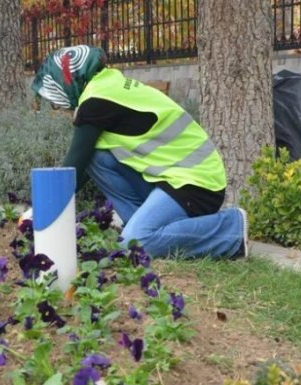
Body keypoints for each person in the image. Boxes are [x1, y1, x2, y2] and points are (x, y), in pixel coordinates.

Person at [31, 45, 247, 260]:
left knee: (135, 244)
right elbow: (83, 163)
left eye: (55, 103)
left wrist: (38, 214)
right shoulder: (107, 84)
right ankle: (142, 224)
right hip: (175, 177)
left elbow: (72, 172)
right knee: (96, 158)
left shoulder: (96, 102)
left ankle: (231, 230)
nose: (59, 110)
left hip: (197, 184)